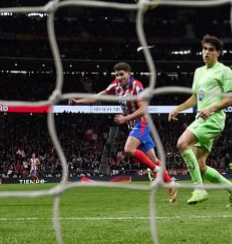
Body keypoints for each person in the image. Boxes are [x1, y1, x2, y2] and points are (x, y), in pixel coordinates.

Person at [70, 62, 177, 203]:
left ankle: (155, 170)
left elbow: (143, 109)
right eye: (117, 75)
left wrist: (125, 118)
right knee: (153, 158)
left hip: (142, 123)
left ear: (129, 74)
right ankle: (171, 186)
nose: (119, 77)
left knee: (128, 149)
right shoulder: (116, 85)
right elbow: (99, 96)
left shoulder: (137, 86)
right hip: (133, 125)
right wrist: (78, 102)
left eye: (122, 74)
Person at [168, 34, 232, 206]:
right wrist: (178, 109)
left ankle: (199, 190)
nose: (206, 52)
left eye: (211, 50)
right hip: (201, 119)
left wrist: (211, 108)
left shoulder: (225, 71)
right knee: (200, 165)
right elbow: (195, 98)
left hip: (214, 119)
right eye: (204, 49)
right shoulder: (199, 72)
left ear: (218, 53)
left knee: (182, 144)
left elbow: (231, 98)